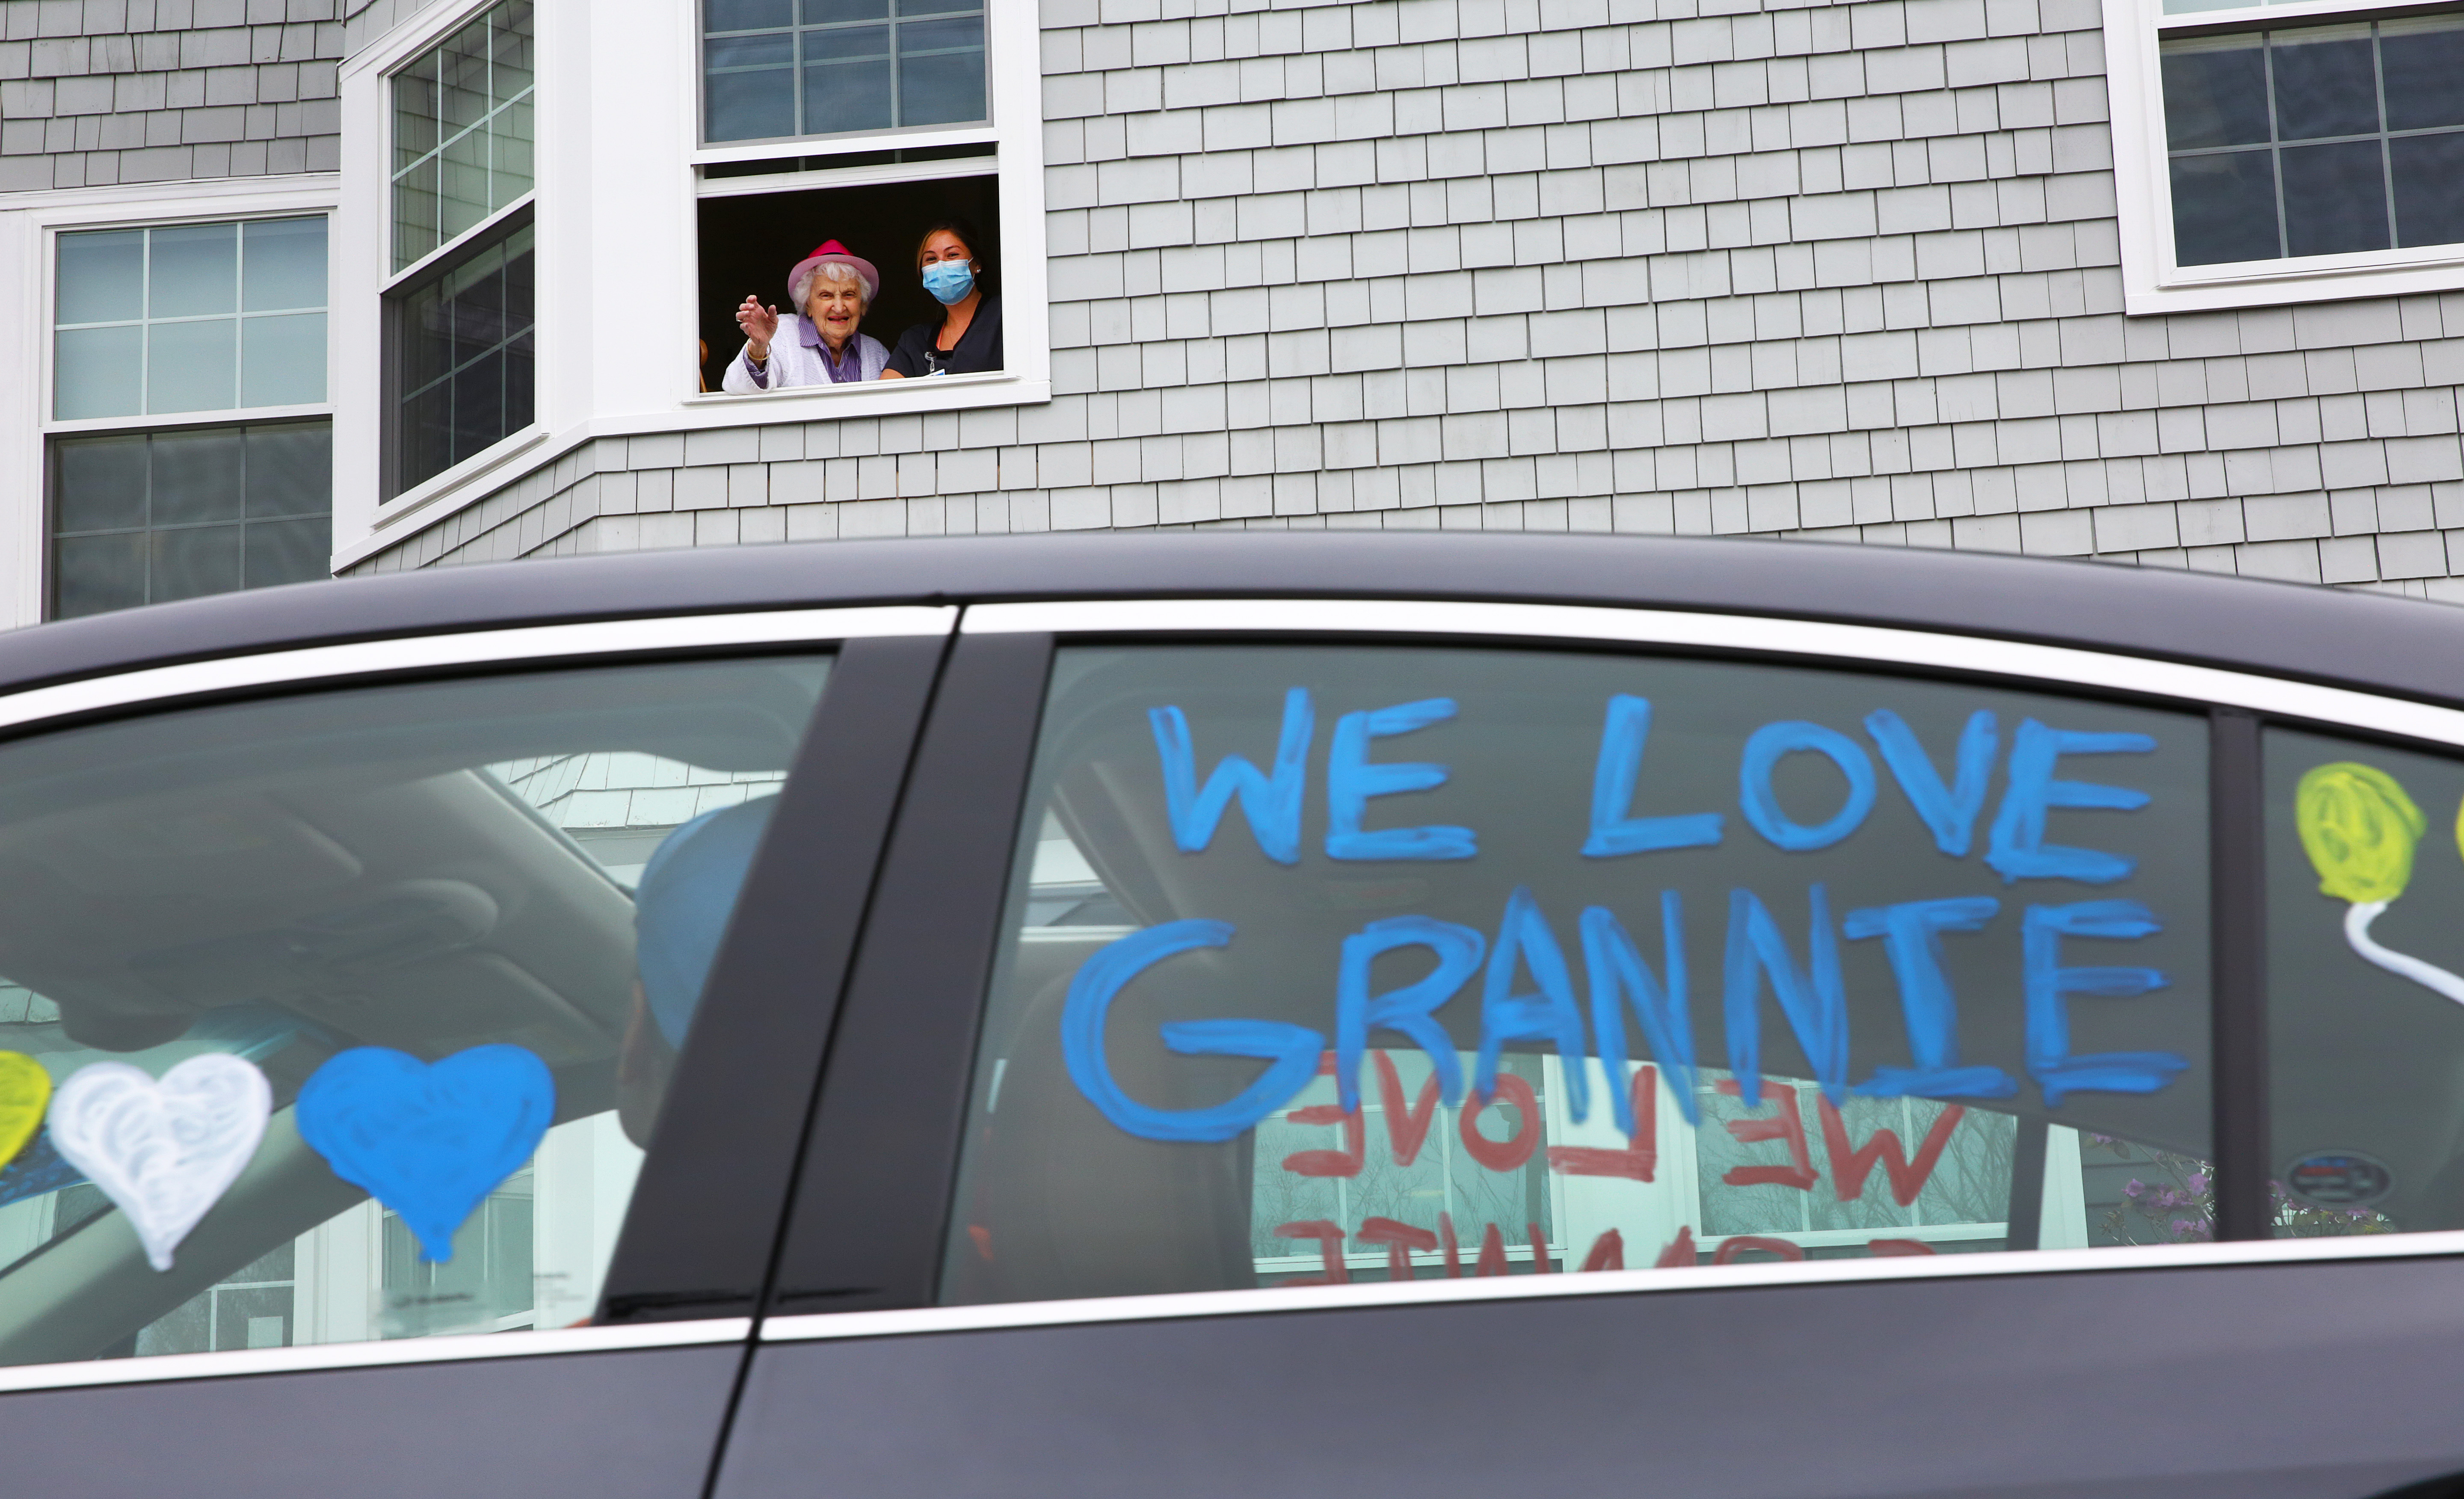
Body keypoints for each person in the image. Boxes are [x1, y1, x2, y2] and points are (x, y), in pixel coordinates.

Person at [722, 239, 888, 392]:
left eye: (849, 295)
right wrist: (759, 348)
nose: (839, 308)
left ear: (862, 304)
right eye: (826, 295)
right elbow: (737, 388)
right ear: (808, 304)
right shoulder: (783, 335)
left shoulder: (876, 353)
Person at [878, 220, 1004, 379]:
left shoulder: (1004, 315)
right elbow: (886, 397)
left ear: (976, 263)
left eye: (952, 255)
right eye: (931, 259)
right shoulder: (915, 341)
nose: (941, 266)